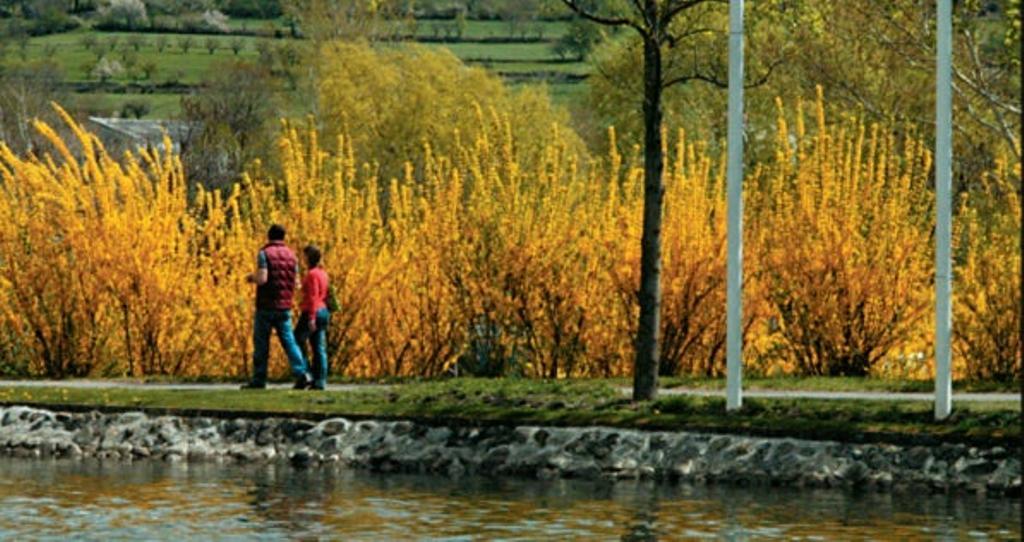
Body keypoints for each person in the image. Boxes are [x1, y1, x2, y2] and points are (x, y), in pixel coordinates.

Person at [241, 224, 313, 390]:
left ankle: (259, 379)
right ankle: (302, 373)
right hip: (284, 306)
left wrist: (252, 278)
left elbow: (263, 278)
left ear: (269, 236)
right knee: (289, 342)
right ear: (283, 237)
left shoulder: (264, 253)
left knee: (261, 343)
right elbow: (296, 283)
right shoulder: (292, 256)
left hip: (266, 306)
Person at [294, 245, 330, 391]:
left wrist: (311, 317)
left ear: (309, 258)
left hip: (312, 311)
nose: (303, 260)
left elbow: (313, 296)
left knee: (296, 340)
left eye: (305, 257)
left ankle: (306, 373)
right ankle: (320, 380)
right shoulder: (323, 273)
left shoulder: (312, 275)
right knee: (318, 346)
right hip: (323, 310)